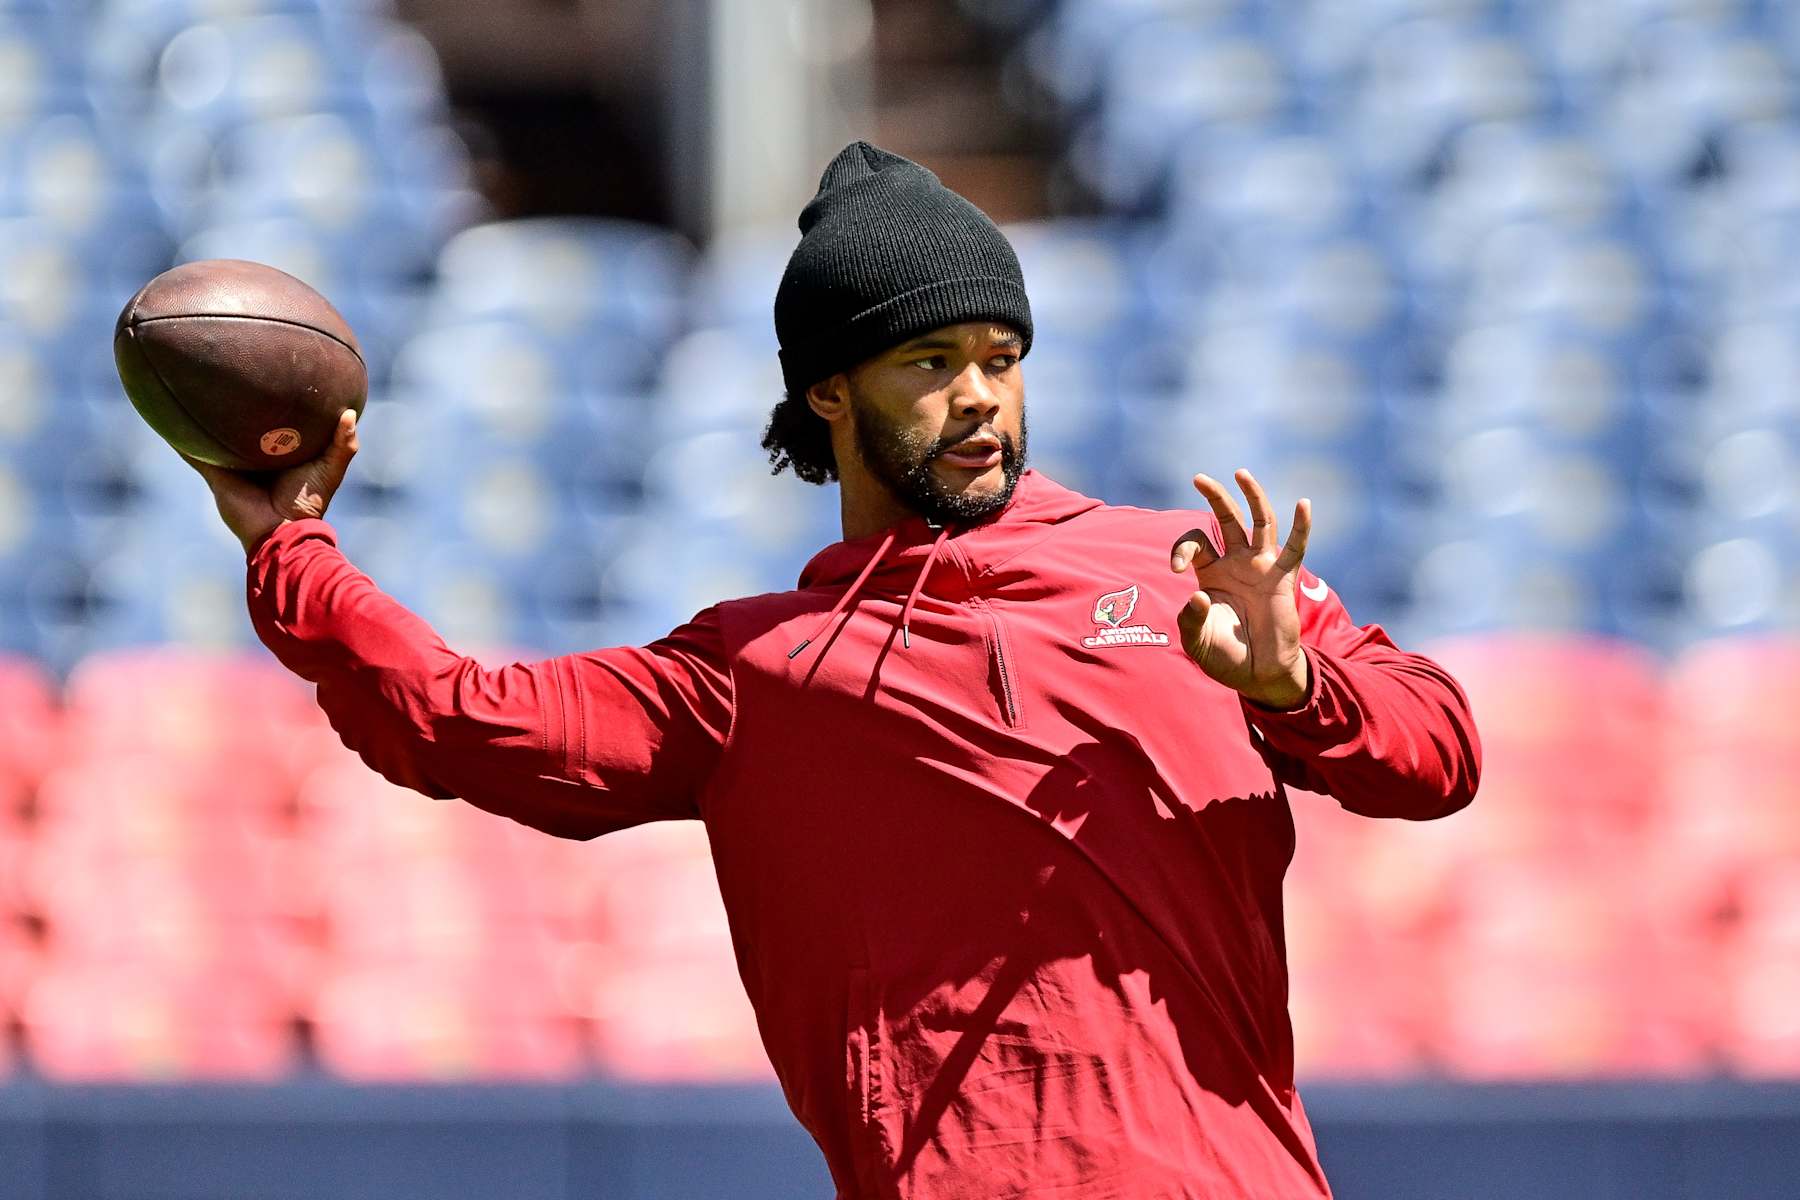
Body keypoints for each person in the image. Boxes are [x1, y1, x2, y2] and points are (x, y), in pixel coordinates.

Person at [188, 142, 1480, 1199]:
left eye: (1002, 357)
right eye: (932, 363)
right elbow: (453, 720)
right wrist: (290, 552)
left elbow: (1440, 756)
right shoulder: (758, 674)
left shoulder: (1192, 578)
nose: (981, 398)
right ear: (829, 396)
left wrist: (1291, 687)